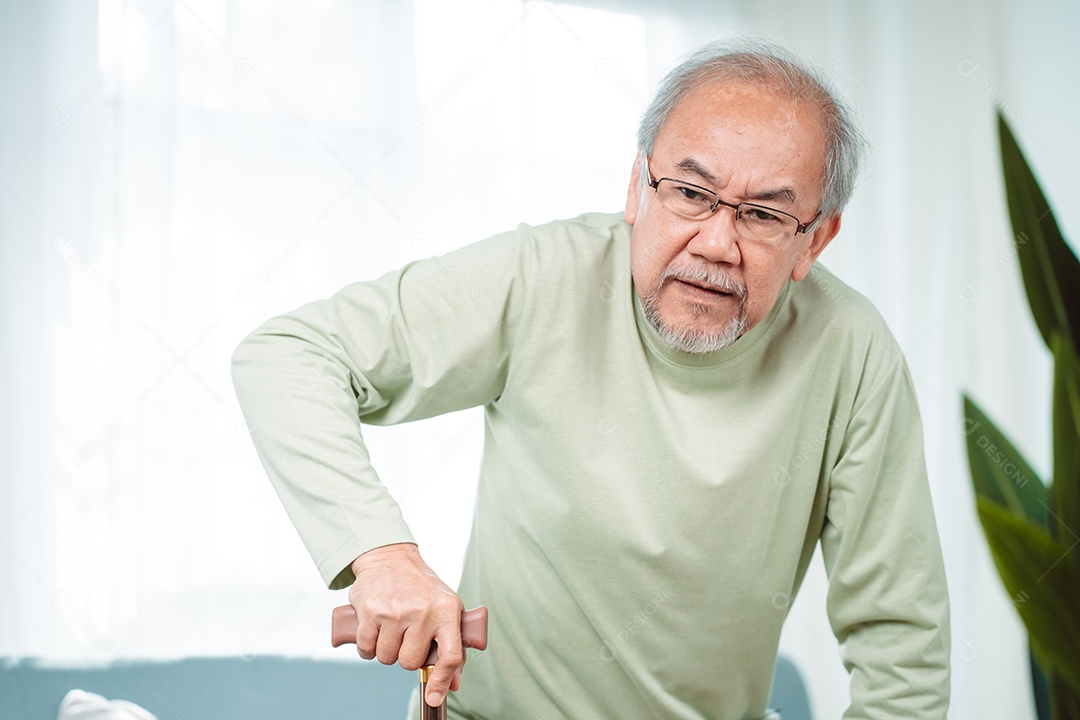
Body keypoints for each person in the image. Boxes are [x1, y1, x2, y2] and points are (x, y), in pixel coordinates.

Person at [231, 36, 950, 719]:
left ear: (815, 240)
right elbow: (289, 355)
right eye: (689, 193)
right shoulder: (541, 276)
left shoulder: (854, 351)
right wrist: (382, 556)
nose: (715, 243)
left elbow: (901, 640)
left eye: (763, 215)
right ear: (638, 186)